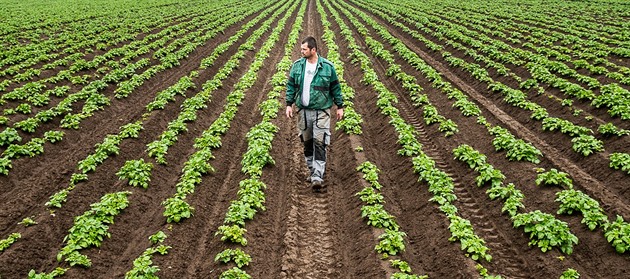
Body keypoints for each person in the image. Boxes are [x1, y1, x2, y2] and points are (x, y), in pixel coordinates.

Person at [285, 36, 344, 193]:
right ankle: (312, 171)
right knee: (307, 143)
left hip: (322, 111)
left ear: (313, 50)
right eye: (301, 49)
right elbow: (291, 85)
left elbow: (335, 88)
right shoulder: (297, 66)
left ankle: (317, 176)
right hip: (303, 111)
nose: (301, 51)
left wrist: (340, 106)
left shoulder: (327, 67)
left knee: (320, 142)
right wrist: (288, 104)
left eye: (304, 49)